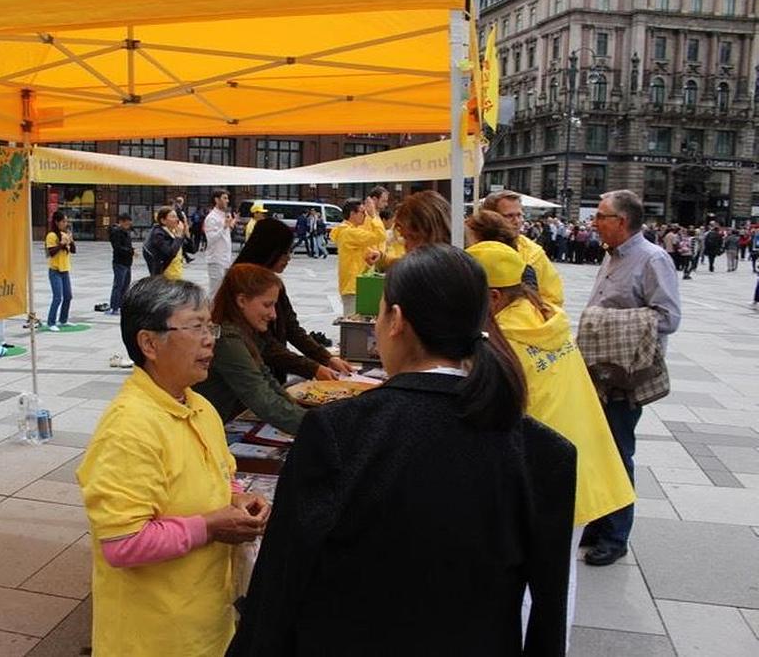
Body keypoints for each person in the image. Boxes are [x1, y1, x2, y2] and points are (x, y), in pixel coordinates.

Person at [229, 245, 577, 656]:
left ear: (396, 320)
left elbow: (282, 578)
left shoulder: (338, 431)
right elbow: (548, 610)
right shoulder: (543, 451)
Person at [76, 277, 269, 657]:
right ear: (149, 343)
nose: (210, 339)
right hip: (153, 638)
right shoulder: (128, 428)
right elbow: (123, 542)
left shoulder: (199, 407)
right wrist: (213, 525)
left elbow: (220, 478)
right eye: (195, 327)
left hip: (207, 623)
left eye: (209, 326)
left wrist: (239, 500)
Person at [466, 241, 635, 645]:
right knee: (559, 575)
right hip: (583, 462)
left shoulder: (505, 338)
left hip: (551, 474)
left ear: (492, 296)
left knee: (530, 582)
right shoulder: (544, 317)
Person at [580, 190, 681, 566]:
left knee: (619, 451)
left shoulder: (653, 259)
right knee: (598, 447)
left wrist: (604, 323)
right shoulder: (612, 256)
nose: (595, 222)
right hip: (600, 370)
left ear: (621, 222)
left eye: (601, 216)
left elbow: (669, 317)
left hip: (625, 373)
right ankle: (599, 520)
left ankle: (616, 535)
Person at [235, 218, 353, 383]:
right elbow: (266, 346)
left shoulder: (274, 282)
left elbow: (292, 328)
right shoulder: (241, 283)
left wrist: (326, 358)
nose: (289, 258)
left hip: (274, 375)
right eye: (285, 252)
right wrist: (314, 368)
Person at [194, 264, 308, 434]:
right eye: (267, 305)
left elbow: (266, 380)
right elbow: (261, 397)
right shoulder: (227, 340)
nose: (274, 314)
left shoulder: (242, 331)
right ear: (241, 301)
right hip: (208, 429)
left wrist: (310, 417)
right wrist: (319, 426)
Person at [482, 192, 567, 307]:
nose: (517, 221)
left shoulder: (533, 252)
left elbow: (553, 297)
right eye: (509, 216)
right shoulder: (473, 244)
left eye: (519, 215)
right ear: (491, 217)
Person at [329, 198, 386, 313]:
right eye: (362, 212)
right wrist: (374, 215)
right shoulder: (349, 232)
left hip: (355, 284)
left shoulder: (349, 231)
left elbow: (361, 253)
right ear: (352, 214)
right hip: (353, 286)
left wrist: (370, 257)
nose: (365, 216)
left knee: (354, 324)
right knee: (352, 324)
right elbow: (380, 235)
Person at [45, 211, 75, 332]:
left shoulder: (65, 233)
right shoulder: (52, 235)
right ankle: (51, 322)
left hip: (65, 269)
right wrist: (62, 244)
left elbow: (73, 250)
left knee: (68, 296)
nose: (65, 223)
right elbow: (51, 252)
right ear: (57, 222)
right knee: (58, 297)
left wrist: (71, 241)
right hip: (55, 270)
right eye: (63, 221)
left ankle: (63, 319)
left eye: (66, 221)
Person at [204, 189, 237, 295]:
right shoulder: (211, 218)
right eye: (225, 198)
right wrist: (224, 226)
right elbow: (211, 239)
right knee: (215, 292)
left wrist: (230, 225)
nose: (227, 201)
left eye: (228, 198)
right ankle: (211, 311)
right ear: (216, 200)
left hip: (225, 258)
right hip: (216, 259)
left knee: (224, 291)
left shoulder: (223, 215)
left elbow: (224, 236)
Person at [144, 206, 186, 280]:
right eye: (173, 217)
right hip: (165, 276)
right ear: (163, 220)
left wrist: (187, 231)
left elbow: (192, 249)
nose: (177, 219)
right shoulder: (158, 235)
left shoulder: (173, 231)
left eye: (176, 216)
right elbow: (170, 253)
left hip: (176, 274)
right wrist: (178, 236)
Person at [107, 212, 134, 315]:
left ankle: (121, 305)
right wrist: (130, 251)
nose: (128, 226)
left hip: (127, 262)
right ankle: (114, 307)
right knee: (118, 285)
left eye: (129, 224)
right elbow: (117, 248)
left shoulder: (126, 231)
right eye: (127, 223)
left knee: (126, 285)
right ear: (121, 222)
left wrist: (131, 251)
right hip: (119, 262)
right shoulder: (116, 232)